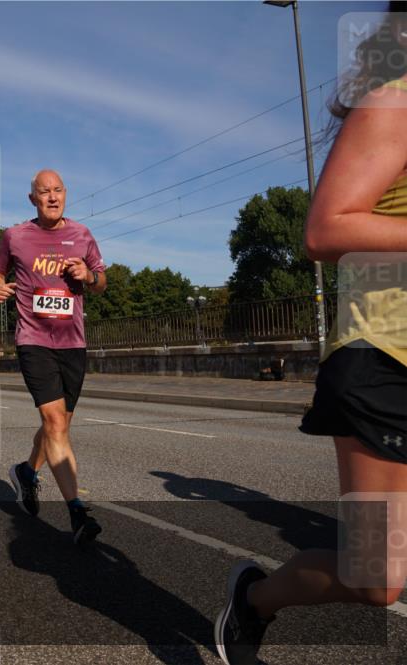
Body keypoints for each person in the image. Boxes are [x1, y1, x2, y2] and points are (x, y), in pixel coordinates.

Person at [215, 7, 407, 662]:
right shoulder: (395, 99)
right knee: (377, 578)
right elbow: (327, 228)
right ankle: (255, 601)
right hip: (386, 360)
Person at [0, 169, 107, 544]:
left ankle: (27, 471)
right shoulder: (16, 236)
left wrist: (88, 276)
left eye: (57, 191)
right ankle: (78, 513)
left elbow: (102, 282)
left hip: (73, 343)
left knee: (60, 426)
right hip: (34, 340)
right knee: (54, 423)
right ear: (32, 199)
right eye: (44, 192)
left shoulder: (82, 235)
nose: (52, 197)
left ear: (65, 194)